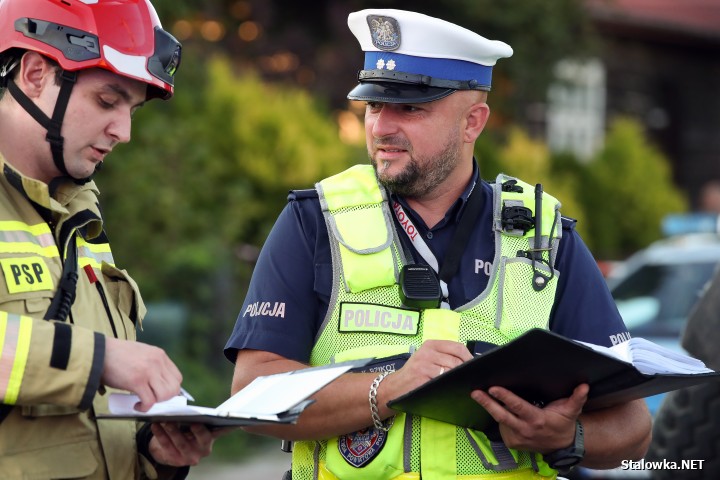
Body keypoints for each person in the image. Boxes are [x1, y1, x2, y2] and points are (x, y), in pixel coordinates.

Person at [224, 8, 652, 480]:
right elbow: (252, 393)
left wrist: (567, 438)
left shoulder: (544, 238)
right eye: (372, 105)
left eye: (410, 108)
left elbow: (633, 427)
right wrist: (388, 388)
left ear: (473, 122)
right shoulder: (314, 221)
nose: (381, 127)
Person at [0, 0, 219, 478]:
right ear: (36, 73)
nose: (124, 131)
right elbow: (91, 366)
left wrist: (153, 452)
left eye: (133, 110)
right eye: (107, 100)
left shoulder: (79, 215)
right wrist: (100, 359)